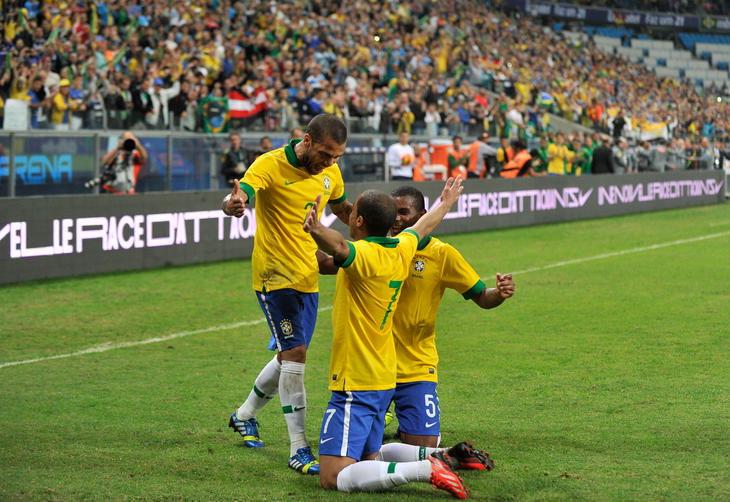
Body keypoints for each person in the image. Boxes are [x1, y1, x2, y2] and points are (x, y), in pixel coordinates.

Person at [304, 177, 492, 498]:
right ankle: (440, 456)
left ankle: (425, 468)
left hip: (357, 378)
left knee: (332, 475)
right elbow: (423, 227)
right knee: (370, 456)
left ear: (358, 221)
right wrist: (445, 203)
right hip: (383, 375)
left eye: (352, 213)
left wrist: (313, 229)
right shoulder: (403, 248)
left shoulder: (365, 255)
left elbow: (336, 246)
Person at [222, 114, 353, 475]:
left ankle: (244, 414)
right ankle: (299, 448)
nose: (330, 162)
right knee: (295, 353)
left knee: (287, 357)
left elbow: (342, 208)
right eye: (326, 153)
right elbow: (241, 194)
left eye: (337, 156)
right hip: (273, 275)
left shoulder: (331, 172)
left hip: (307, 274)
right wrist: (233, 204)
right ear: (307, 140)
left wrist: (373, 227)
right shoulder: (270, 164)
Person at [386, 186, 515, 448]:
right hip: (374, 363)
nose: (397, 219)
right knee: (358, 449)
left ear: (423, 215)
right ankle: (384, 413)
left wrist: (499, 294)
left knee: (424, 447)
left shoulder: (442, 255)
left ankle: (401, 420)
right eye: (393, 212)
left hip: (416, 363)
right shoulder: (381, 247)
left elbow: (482, 296)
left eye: (403, 212)